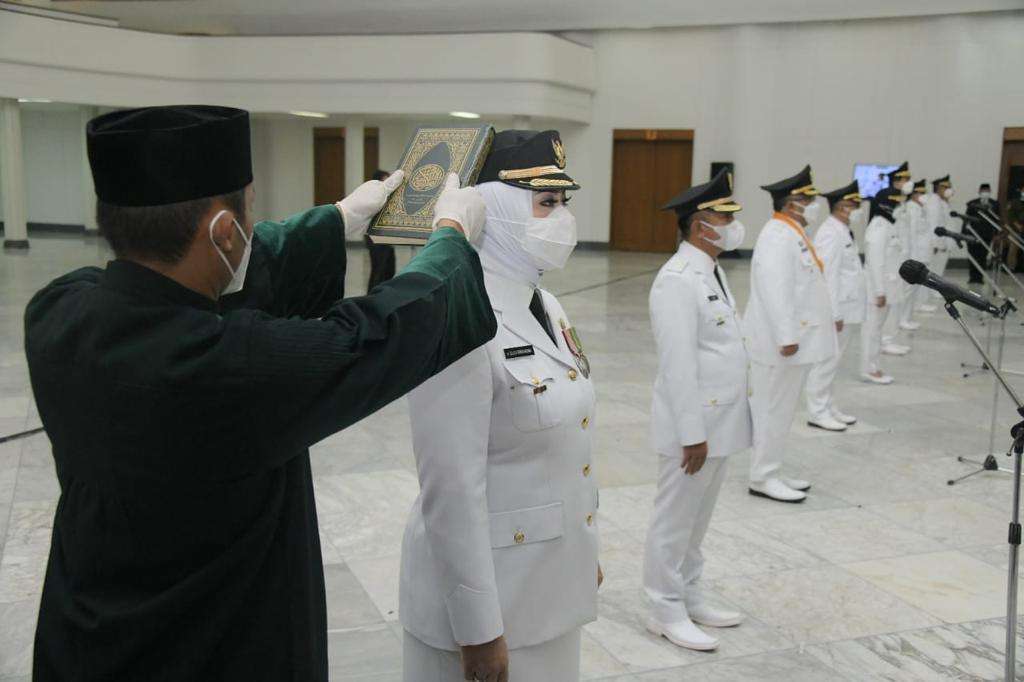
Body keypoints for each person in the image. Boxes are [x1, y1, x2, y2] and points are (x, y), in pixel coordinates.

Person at [25, 105, 495, 682]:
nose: (253, 224)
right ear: (224, 231)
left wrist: (337, 219)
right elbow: (376, 336)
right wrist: (450, 240)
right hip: (217, 649)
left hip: (88, 642)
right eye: (248, 209)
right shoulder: (231, 368)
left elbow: (204, 278)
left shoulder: (57, 312)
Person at [399, 130, 599, 682]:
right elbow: (452, 489)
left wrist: (585, 550)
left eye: (564, 202)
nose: (562, 218)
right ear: (498, 206)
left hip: (552, 584)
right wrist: (478, 628)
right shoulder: (457, 312)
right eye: (546, 203)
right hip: (492, 607)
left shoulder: (546, 303)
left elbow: (570, 439)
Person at [642, 168, 749, 652]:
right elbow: (678, 364)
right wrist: (691, 433)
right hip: (695, 428)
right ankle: (663, 608)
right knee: (674, 521)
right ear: (700, 224)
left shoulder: (712, 270)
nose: (731, 225)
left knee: (697, 521)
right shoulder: (677, 280)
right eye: (722, 217)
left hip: (720, 420)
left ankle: (689, 594)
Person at [744, 165, 836, 503]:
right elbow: (775, 289)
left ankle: (772, 469)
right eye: (806, 199)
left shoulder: (793, 231)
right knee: (771, 410)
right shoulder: (776, 235)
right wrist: (786, 336)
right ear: (790, 203)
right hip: (778, 345)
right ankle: (762, 476)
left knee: (782, 411)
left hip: (793, 342)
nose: (813, 204)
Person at [804, 180, 865, 431]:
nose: (859, 209)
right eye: (855, 205)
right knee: (826, 360)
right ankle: (817, 411)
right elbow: (827, 274)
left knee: (834, 361)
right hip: (838, 310)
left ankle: (828, 405)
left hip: (847, 307)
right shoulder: (830, 232)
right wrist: (834, 312)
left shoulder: (842, 230)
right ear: (843, 208)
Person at [861, 188, 906, 385]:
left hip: (888, 288)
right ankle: (868, 369)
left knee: (877, 330)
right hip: (878, 291)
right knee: (871, 330)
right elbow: (875, 262)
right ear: (887, 205)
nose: (900, 207)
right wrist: (879, 291)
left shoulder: (888, 225)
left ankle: (874, 365)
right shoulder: (878, 227)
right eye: (897, 203)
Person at [881, 162, 913, 355]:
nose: (908, 182)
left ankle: (890, 336)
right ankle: (886, 339)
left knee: (897, 300)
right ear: (896, 181)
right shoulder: (887, 199)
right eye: (905, 179)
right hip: (892, 262)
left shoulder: (901, 202)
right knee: (890, 303)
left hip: (901, 257)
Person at [898, 179, 930, 331]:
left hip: (919, 252)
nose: (923, 196)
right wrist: (912, 257)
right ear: (914, 194)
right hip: (913, 254)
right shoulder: (911, 208)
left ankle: (907, 317)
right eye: (921, 193)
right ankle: (903, 319)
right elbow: (910, 235)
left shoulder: (918, 208)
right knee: (908, 289)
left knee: (913, 289)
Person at [922, 175, 956, 312]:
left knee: (938, 270)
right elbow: (933, 224)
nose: (948, 189)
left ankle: (934, 291)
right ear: (938, 188)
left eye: (949, 187)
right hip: (937, 243)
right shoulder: (934, 202)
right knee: (932, 271)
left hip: (944, 242)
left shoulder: (943, 202)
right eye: (945, 187)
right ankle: (927, 296)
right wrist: (935, 243)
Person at [364, 169, 398, 291]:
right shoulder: (373, 197)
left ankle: (382, 295)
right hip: (374, 236)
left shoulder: (387, 197)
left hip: (385, 236)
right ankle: (372, 296)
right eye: (386, 180)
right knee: (379, 269)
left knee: (389, 269)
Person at [966, 183, 1002, 281]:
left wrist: (997, 234)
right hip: (973, 234)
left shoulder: (994, 204)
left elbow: (997, 220)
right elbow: (966, 219)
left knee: (983, 256)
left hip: (987, 235)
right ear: (979, 192)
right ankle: (972, 277)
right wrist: (964, 234)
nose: (985, 193)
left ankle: (980, 277)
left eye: (987, 191)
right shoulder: (972, 204)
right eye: (983, 191)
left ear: (990, 192)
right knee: (973, 256)